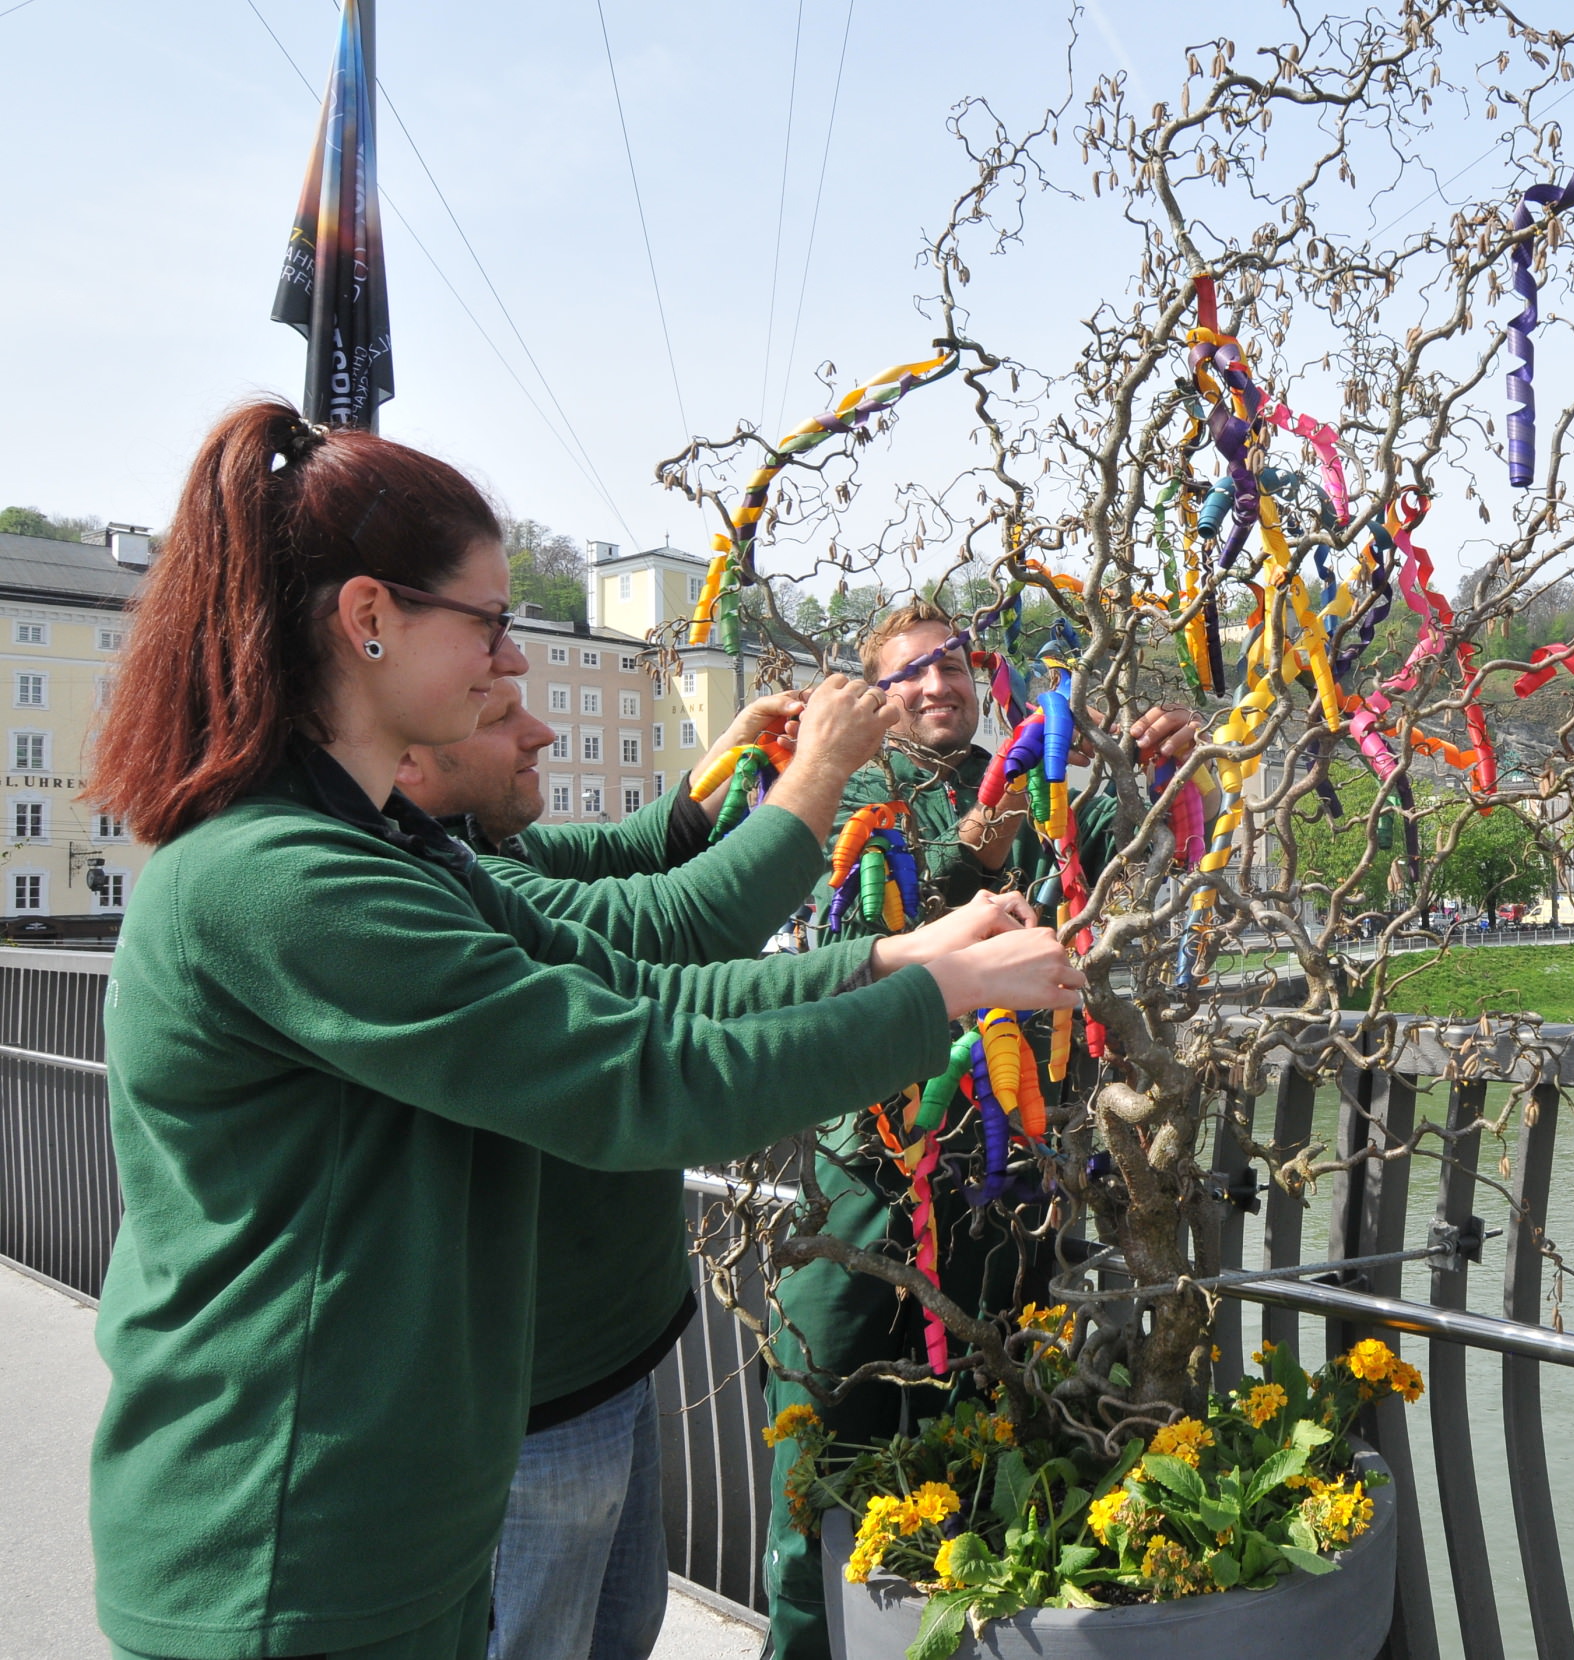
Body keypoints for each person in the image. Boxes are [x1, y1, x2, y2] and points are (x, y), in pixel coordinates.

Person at [83, 402, 1082, 1660]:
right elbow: (639, 1073)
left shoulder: (377, 848)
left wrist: (901, 958)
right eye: (490, 623)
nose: (511, 664)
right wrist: (933, 1002)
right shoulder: (283, 878)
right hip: (289, 1546)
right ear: (370, 619)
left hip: (385, 1523)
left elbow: (634, 981)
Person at [395, 680, 1038, 1660]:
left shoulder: (484, 855)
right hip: (532, 1391)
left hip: (599, 1364)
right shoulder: (428, 885)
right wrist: (823, 786)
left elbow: (636, 873)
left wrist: (898, 948)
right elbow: (660, 963)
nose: (543, 731)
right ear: (408, 754)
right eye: (495, 714)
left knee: (612, 1632)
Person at [757, 598, 1199, 1660]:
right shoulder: (843, 791)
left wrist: (1178, 769)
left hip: (1013, 1170)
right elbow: (844, 948)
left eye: (954, 667)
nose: (937, 687)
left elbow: (1140, 855)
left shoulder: (1037, 781)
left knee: (991, 1418)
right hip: (872, 1163)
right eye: (909, 673)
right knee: (824, 1415)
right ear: (874, 692)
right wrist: (960, 857)